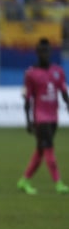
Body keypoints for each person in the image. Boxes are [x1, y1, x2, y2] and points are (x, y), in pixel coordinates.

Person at [16, 38, 69, 195]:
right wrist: (28, 121)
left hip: (53, 117)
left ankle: (24, 181)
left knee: (40, 151)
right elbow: (27, 99)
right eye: (42, 51)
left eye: (47, 51)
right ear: (38, 53)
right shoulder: (31, 73)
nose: (45, 54)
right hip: (41, 117)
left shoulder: (58, 71)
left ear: (50, 52)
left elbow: (63, 92)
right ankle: (58, 183)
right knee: (49, 149)